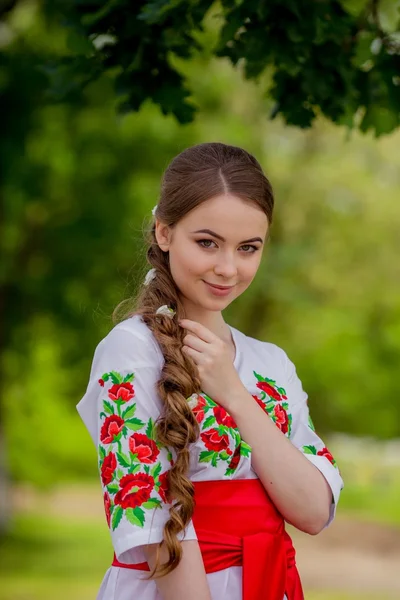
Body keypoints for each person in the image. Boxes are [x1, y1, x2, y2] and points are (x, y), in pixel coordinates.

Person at [77, 142, 344, 600]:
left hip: (267, 581)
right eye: (207, 242)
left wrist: (236, 395)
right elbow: (148, 517)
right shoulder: (131, 350)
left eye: (248, 248)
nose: (227, 268)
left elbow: (314, 511)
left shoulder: (271, 363)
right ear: (164, 233)